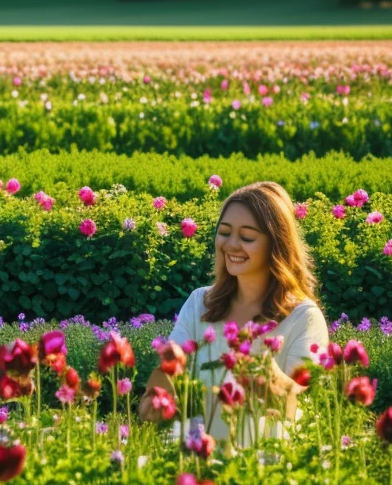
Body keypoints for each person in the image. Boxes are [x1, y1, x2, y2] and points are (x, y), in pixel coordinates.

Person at [137, 181, 328, 442]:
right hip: (196, 460)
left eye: (247, 237)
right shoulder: (200, 303)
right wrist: (156, 399)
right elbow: (166, 379)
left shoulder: (304, 317)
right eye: (224, 232)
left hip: (268, 465)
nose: (231, 244)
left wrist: (261, 367)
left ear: (276, 244)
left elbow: (299, 405)